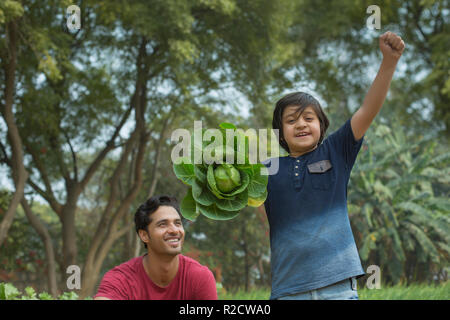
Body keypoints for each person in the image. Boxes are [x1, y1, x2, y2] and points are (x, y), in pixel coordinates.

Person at [258, 31, 405, 300]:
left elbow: (367, 110)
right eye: (291, 121)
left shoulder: (336, 151)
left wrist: (389, 62)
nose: (301, 124)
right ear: (280, 132)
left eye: (308, 118)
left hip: (338, 287)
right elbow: (232, 192)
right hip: (287, 290)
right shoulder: (266, 169)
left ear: (322, 125)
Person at [94, 195, 218, 300]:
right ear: (144, 235)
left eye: (177, 223)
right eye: (163, 224)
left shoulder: (200, 277)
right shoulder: (121, 279)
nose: (174, 230)